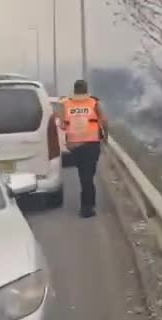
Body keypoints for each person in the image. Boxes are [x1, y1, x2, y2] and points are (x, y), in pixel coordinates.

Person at [60, 79, 108, 218]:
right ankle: (87, 207)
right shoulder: (94, 102)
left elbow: (63, 125)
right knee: (88, 175)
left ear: (74, 91)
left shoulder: (66, 104)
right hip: (92, 144)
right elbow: (104, 121)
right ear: (86, 90)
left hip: (75, 145)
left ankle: (88, 205)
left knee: (84, 175)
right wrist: (106, 136)